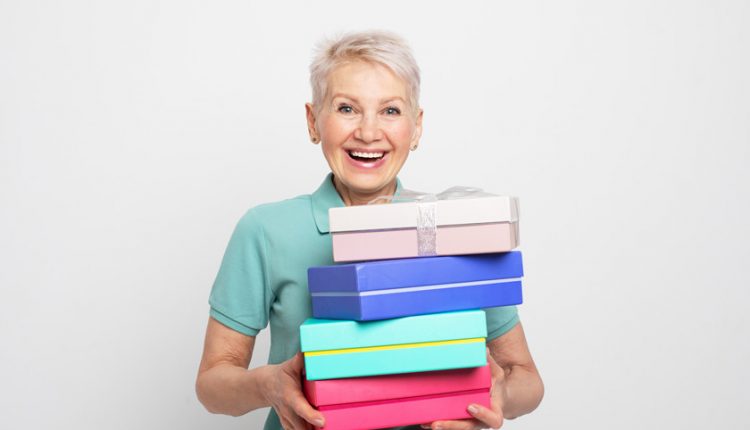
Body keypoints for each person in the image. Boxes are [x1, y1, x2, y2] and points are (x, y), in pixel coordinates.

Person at [196, 30, 544, 430]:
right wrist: (268, 384)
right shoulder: (265, 230)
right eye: (347, 108)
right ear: (313, 121)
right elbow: (211, 385)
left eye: (391, 111)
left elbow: (527, 380)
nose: (367, 131)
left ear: (416, 127)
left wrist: (495, 395)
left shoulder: (453, 227)